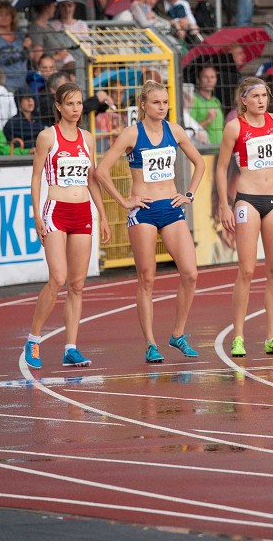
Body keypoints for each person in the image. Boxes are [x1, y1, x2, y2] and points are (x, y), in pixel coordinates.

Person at [96, 81, 205, 363]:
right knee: (147, 278)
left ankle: (177, 334)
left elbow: (200, 163)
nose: (162, 107)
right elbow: (101, 170)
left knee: (190, 273)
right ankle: (150, 343)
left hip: (171, 206)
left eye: (166, 102)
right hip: (142, 209)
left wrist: (189, 194)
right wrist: (124, 201)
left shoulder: (175, 130)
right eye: (156, 102)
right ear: (143, 105)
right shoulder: (132, 133)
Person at [215, 77, 273, 358]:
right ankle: (239, 336)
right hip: (247, 200)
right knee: (246, 269)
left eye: (264, 95)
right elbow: (220, 169)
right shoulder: (234, 127)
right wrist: (224, 205)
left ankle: (271, 337)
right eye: (254, 96)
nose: (261, 100)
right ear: (243, 100)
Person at [22, 83, 110, 369]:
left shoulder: (87, 138)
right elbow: (36, 177)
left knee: (78, 284)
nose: (76, 109)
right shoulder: (48, 137)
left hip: (82, 210)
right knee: (58, 278)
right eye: (70, 104)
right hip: (56, 211)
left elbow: (91, 178)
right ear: (58, 106)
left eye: (79, 103)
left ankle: (70, 347)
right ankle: (34, 338)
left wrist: (103, 214)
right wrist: (36, 214)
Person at [0, 1, 30, 93]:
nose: (3, 18)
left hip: (23, 82)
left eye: (7, 14)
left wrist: (28, 47)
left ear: (12, 17)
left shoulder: (21, 35)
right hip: (5, 84)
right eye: (0, 15)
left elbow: (31, 57)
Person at [188, 65, 225, 147]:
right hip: (204, 149)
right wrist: (208, 120)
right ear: (198, 80)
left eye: (212, 77)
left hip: (220, 148)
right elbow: (189, 129)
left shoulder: (216, 101)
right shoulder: (193, 100)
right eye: (205, 77)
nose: (209, 80)